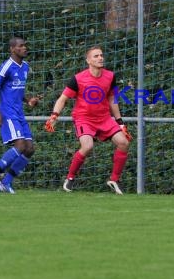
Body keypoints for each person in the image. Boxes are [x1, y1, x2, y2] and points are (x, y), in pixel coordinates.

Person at [44, 46, 132, 194]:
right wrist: (54, 116)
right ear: (88, 61)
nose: (100, 58)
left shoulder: (110, 76)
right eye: (96, 56)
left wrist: (120, 122)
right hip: (84, 118)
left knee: (124, 142)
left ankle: (114, 180)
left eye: (101, 55)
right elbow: (62, 99)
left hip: (104, 118)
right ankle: (70, 178)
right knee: (87, 146)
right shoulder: (78, 79)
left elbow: (112, 99)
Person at [0, 37, 40, 194]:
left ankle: (6, 182)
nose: (25, 48)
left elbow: (17, 89)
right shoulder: (7, 66)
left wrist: (28, 100)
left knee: (29, 149)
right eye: (21, 46)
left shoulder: (25, 66)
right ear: (12, 49)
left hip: (19, 113)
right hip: (8, 112)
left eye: (25, 45)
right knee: (20, 145)